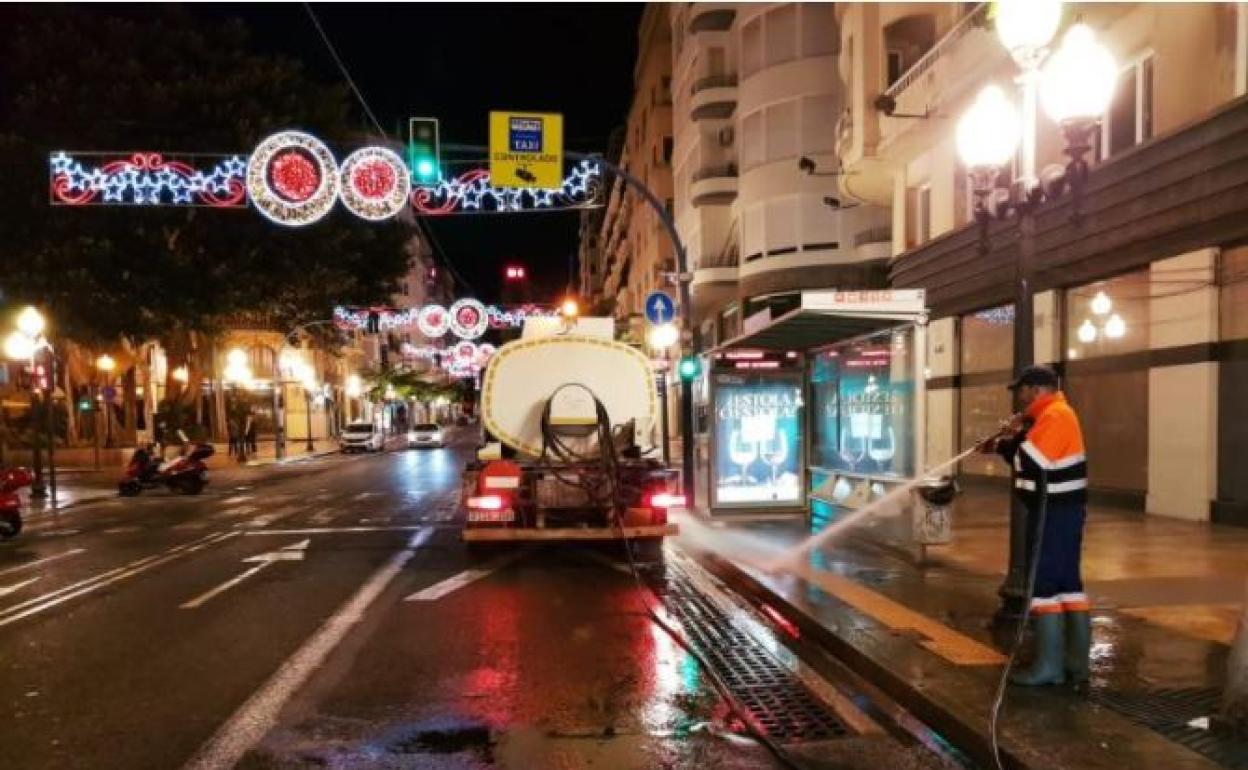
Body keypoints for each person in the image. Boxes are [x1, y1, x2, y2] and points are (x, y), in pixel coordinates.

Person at [982, 365, 1090, 687]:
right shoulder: (1052, 416)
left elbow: (1030, 460)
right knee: (1067, 587)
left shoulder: (1056, 415)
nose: (1019, 396)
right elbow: (1027, 452)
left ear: (1037, 389)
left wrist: (1011, 437)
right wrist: (1005, 441)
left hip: (1052, 513)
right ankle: (1074, 662)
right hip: (1060, 512)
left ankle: (1049, 667)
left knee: (1043, 587)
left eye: (1022, 390)